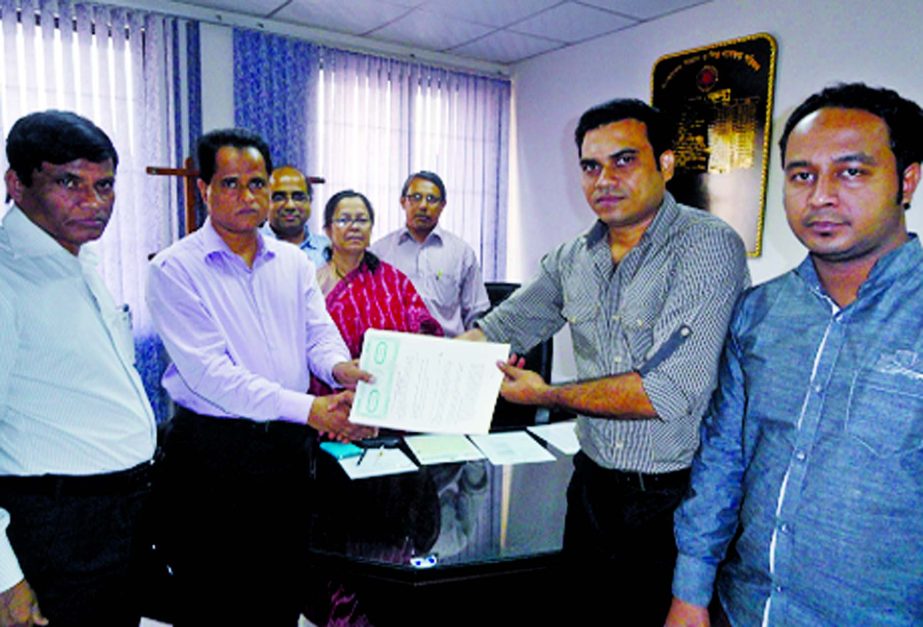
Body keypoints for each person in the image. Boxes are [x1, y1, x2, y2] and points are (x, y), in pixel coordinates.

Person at [459, 98, 749, 624]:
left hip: (676, 500)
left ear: (664, 163)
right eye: (591, 166)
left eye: (624, 160)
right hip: (593, 488)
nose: (604, 180)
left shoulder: (707, 246)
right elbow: (501, 328)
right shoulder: (573, 258)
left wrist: (547, 395)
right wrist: (402, 378)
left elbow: (668, 392)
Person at [667, 83, 923, 626]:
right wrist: (689, 593)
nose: (821, 196)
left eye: (851, 172)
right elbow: (722, 463)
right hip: (747, 610)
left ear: (907, 181)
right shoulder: (758, 313)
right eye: (802, 174)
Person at [146, 128, 375, 626]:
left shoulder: (293, 262)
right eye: (230, 184)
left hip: (286, 455)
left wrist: (340, 368)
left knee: (281, 590)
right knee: (216, 598)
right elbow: (212, 376)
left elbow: (319, 335)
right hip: (212, 456)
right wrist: (312, 409)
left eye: (257, 183)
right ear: (203, 188)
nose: (247, 197)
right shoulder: (174, 269)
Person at [0, 110, 157, 626]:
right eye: (69, 182)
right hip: (55, 523)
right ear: (16, 184)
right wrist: (5, 578)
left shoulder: (76, 257)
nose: (94, 203)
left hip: (117, 514)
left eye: (105, 185)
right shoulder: (7, 277)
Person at [315, 189, 442, 357]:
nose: (354, 227)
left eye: (362, 220)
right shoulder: (315, 283)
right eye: (344, 220)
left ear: (371, 228)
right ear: (328, 230)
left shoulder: (394, 281)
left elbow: (424, 331)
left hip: (391, 377)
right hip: (333, 378)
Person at [369, 170, 490, 337]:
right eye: (416, 197)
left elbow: (477, 313)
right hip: (395, 350)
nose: (423, 206)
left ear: (442, 206)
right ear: (403, 202)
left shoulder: (461, 253)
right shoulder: (379, 252)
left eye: (432, 199)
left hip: (447, 350)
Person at [263, 164, 330, 268]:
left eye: (298, 197)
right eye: (279, 197)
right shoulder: (248, 247)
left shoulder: (328, 251)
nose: (290, 205)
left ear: (310, 201)